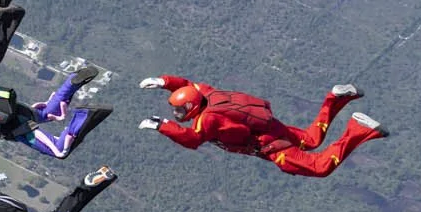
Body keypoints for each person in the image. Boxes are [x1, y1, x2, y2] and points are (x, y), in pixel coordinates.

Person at [138, 75, 387, 177]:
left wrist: (162, 125)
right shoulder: (205, 92)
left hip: (271, 147)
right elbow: (187, 84)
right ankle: (336, 98)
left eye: (180, 110)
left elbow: (192, 140)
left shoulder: (208, 120)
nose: (176, 112)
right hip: (271, 129)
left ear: (193, 107)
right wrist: (163, 81)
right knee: (311, 140)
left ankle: (359, 129)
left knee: (320, 167)